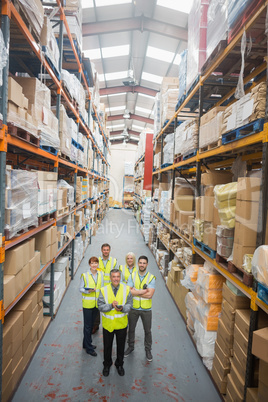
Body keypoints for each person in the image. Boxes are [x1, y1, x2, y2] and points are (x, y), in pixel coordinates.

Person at [98, 268, 133, 377]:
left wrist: (122, 308)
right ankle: (107, 364)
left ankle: (119, 364)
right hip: (108, 325)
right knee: (107, 346)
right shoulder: (103, 290)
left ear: (120, 277)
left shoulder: (126, 289)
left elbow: (129, 305)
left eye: (118, 277)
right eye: (114, 277)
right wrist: (110, 306)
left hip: (121, 324)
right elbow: (100, 306)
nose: (116, 279)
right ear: (110, 278)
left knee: (121, 346)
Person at [124, 255, 156, 362]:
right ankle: (130, 347)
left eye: (144, 263)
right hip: (134, 308)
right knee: (131, 329)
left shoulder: (151, 277)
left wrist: (136, 292)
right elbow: (129, 291)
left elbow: (150, 295)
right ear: (137, 263)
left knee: (147, 330)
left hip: (146, 309)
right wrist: (142, 292)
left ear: (147, 264)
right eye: (140, 263)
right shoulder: (132, 276)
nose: (142, 265)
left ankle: (148, 350)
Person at [79, 256, 104, 356]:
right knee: (87, 326)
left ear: (98, 264)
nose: (94, 265)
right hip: (88, 304)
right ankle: (89, 348)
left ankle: (86, 344)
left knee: (92, 324)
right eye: (92, 263)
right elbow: (80, 289)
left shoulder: (100, 274)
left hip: (96, 304)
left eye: (96, 263)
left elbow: (101, 288)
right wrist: (87, 290)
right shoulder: (84, 275)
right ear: (89, 265)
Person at [92, 243, 118, 334]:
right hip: (99, 288)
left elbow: (116, 275)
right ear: (101, 250)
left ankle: (111, 324)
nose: (106, 251)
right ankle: (96, 325)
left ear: (109, 251)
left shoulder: (114, 261)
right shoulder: (97, 261)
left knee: (110, 306)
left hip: (110, 289)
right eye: (104, 250)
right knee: (98, 306)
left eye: (107, 250)